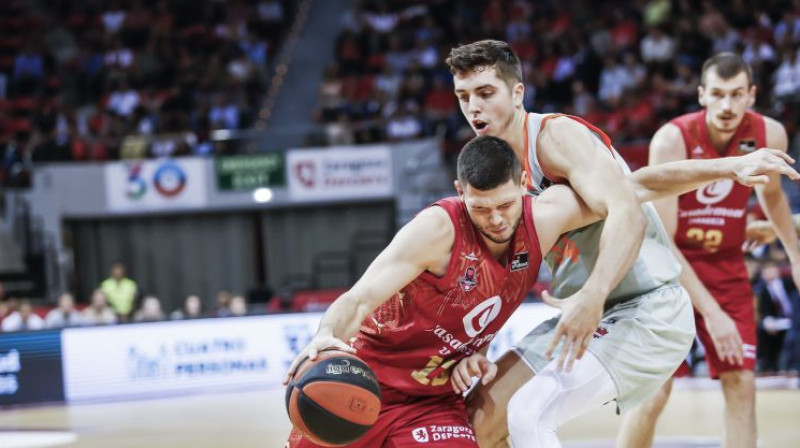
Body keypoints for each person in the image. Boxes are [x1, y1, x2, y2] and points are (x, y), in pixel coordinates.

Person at [283, 135, 796, 447]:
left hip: (434, 402)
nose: (497, 219)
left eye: (506, 204)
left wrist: (728, 168)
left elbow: (637, 186)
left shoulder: (543, 216)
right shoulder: (435, 230)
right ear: (462, 193)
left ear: (522, 185)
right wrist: (326, 333)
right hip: (368, 384)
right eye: (482, 209)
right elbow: (359, 297)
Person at [444, 40, 798, 448]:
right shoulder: (493, 168)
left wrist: (593, 295)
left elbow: (628, 209)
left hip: (647, 308)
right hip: (589, 316)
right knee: (476, 422)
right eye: (463, 96)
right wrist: (476, 346)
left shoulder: (556, 139)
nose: (473, 108)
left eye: (486, 93)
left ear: (517, 92)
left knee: (529, 411)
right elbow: (638, 182)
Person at [617, 53, 800, 448]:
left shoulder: (770, 134)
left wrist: (796, 255)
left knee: (742, 385)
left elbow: (773, 200)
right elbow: (662, 243)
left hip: (728, 267)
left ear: (752, 94)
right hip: (668, 271)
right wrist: (712, 314)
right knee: (656, 391)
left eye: (737, 95)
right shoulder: (672, 139)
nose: (727, 106)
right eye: (718, 94)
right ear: (702, 95)